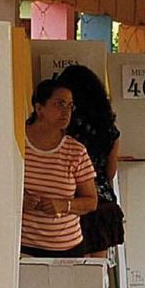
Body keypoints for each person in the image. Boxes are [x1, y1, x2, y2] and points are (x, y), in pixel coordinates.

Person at [21, 79, 98, 258]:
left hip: (67, 248)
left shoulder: (75, 151)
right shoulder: (16, 142)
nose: (66, 111)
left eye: (70, 106)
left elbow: (91, 201)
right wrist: (20, 201)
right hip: (22, 246)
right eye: (59, 104)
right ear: (39, 108)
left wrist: (65, 205)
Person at [58, 64, 124, 258]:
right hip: (103, 204)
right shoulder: (109, 128)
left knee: (76, 270)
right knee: (96, 273)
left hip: (73, 202)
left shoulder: (66, 128)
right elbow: (110, 172)